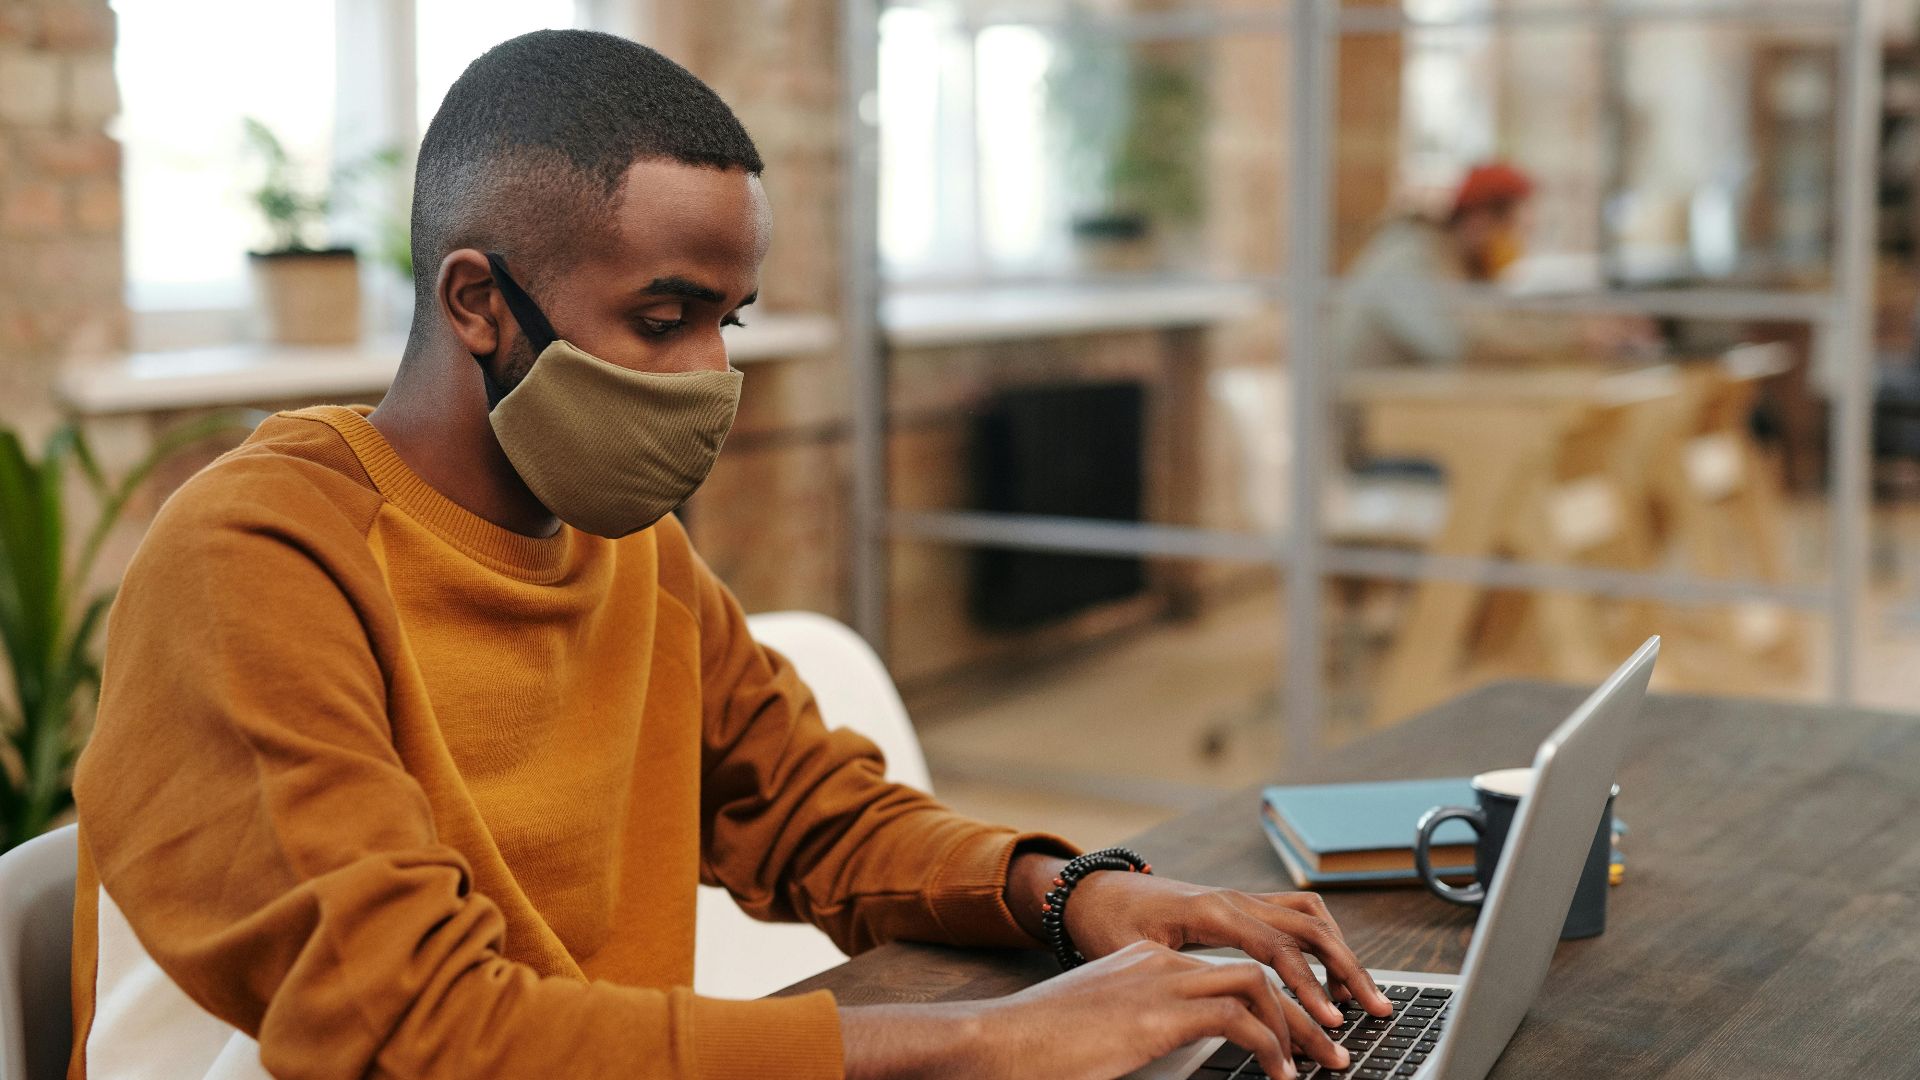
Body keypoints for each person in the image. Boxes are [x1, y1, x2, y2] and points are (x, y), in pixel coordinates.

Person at [68, 31, 1392, 1080]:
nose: (711, 375)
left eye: (728, 320)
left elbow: (811, 811)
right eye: (662, 317)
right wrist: (996, 1041)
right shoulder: (257, 557)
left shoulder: (620, 540)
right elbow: (414, 1032)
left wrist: (1076, 902)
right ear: (478, 301)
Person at [1334, 162, 1591, 371]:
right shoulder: (1405, 258)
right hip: (1360, 426)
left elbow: (1496, 325)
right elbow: (1458, 347)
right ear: (1478, 222)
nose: (1517, 247)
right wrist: (1570, 341)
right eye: (1514, 232)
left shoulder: (1457, 264)